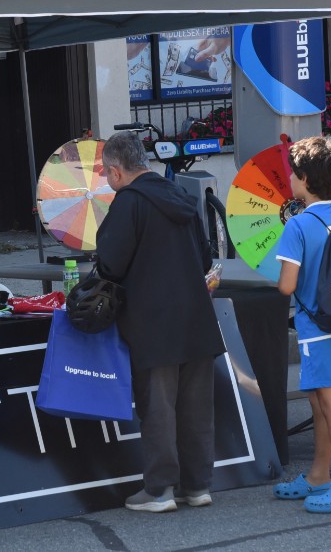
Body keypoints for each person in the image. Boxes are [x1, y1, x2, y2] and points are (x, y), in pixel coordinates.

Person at [94, 131, 225, 513]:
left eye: (106, 172)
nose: (106, 179)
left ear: (116, 172)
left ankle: (159, 491)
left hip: (153, 324)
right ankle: (197, 486)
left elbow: (110, 265)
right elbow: (204, 259)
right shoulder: (181, 197)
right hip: (198, 320)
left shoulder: (127, 204)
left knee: (159, 408)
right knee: (196, 408)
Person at [271, 136, 331, 514]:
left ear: (305, 180)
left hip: (316, 326)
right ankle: (317, 475)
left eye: (294, 175)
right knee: (323, 401)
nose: (291, 180)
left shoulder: (298, 226)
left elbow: (287, 286)